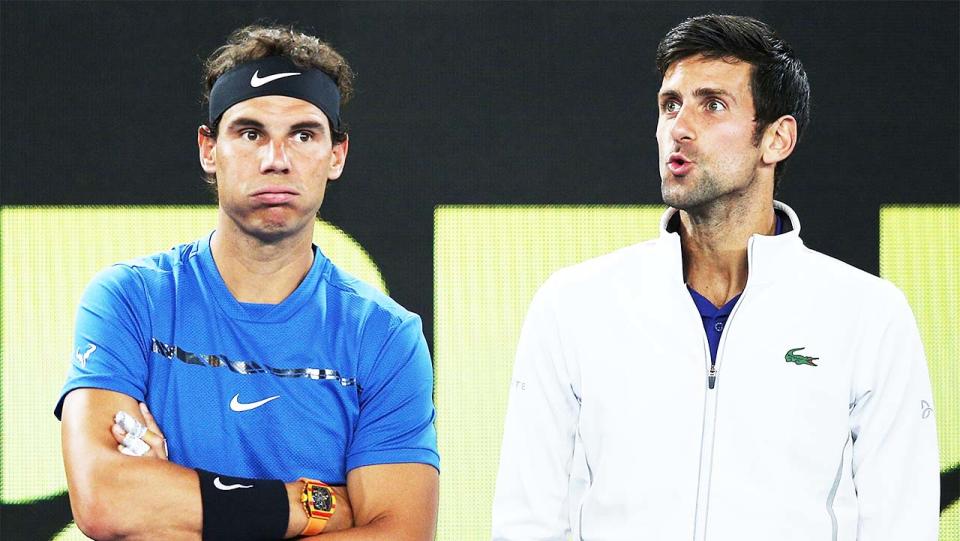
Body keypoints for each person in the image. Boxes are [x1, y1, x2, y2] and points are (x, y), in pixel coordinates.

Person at [492, 14, 939, 541]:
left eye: (713, 105)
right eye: (670, 104)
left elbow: (901, 525)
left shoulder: (868, 314)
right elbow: (528, 521)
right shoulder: (573, 305)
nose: (678, 128)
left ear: (776, 139)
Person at [56, 24, 439, 540]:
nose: (275, 159)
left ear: (337, 155)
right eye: (249, 132)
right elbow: (106, 500)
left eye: (303, 135)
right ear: (208, 149)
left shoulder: (386, 336)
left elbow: (401, 534)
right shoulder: (130, 300)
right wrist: (316, 505)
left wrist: (170, 508)